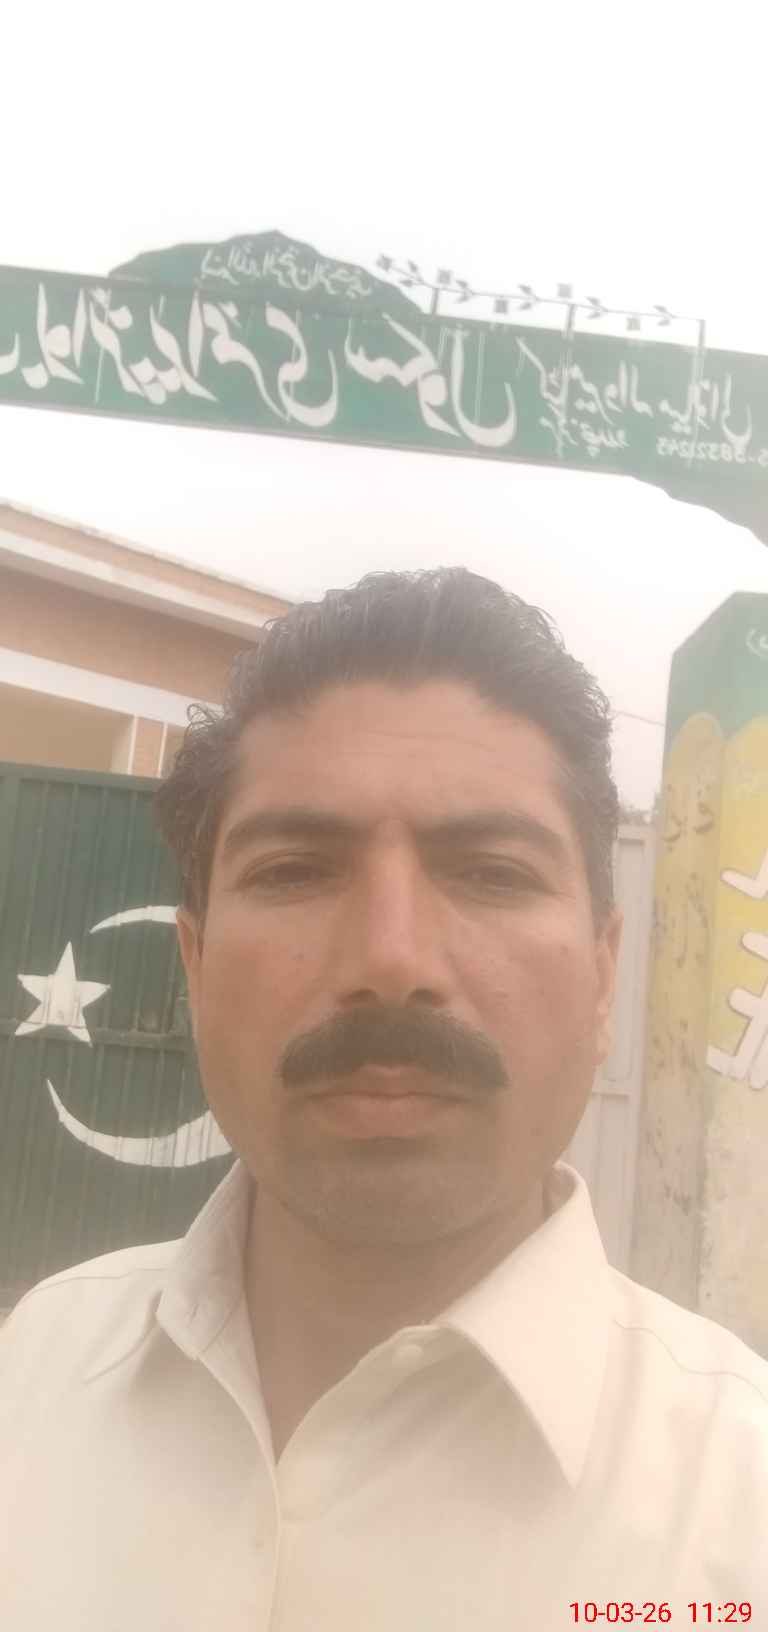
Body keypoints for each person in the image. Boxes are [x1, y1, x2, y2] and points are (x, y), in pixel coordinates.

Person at [1, 567, 766, 1631]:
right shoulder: (34, 1368)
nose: (391, 958)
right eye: (295, 870)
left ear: (603, 978)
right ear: (195, 965)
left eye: (492, 872)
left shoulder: (738, 1503)